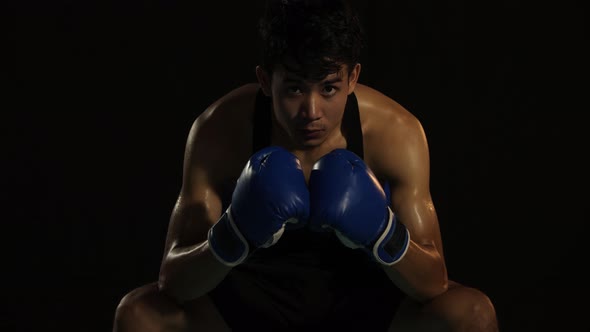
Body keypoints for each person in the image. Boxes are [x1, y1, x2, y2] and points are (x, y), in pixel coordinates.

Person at [113, 0, 499, 331]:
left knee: (473, 314)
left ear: (352, 78)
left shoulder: (396, 133)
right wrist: (233, 234)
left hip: (361, 310)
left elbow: (434, 284)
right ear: (266, 80)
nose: (312, 112)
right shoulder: (220, 130)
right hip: (249, 310)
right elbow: (174, 283)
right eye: (295, 88)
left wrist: (383, 233)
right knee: (139, 315)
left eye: (329, 88)